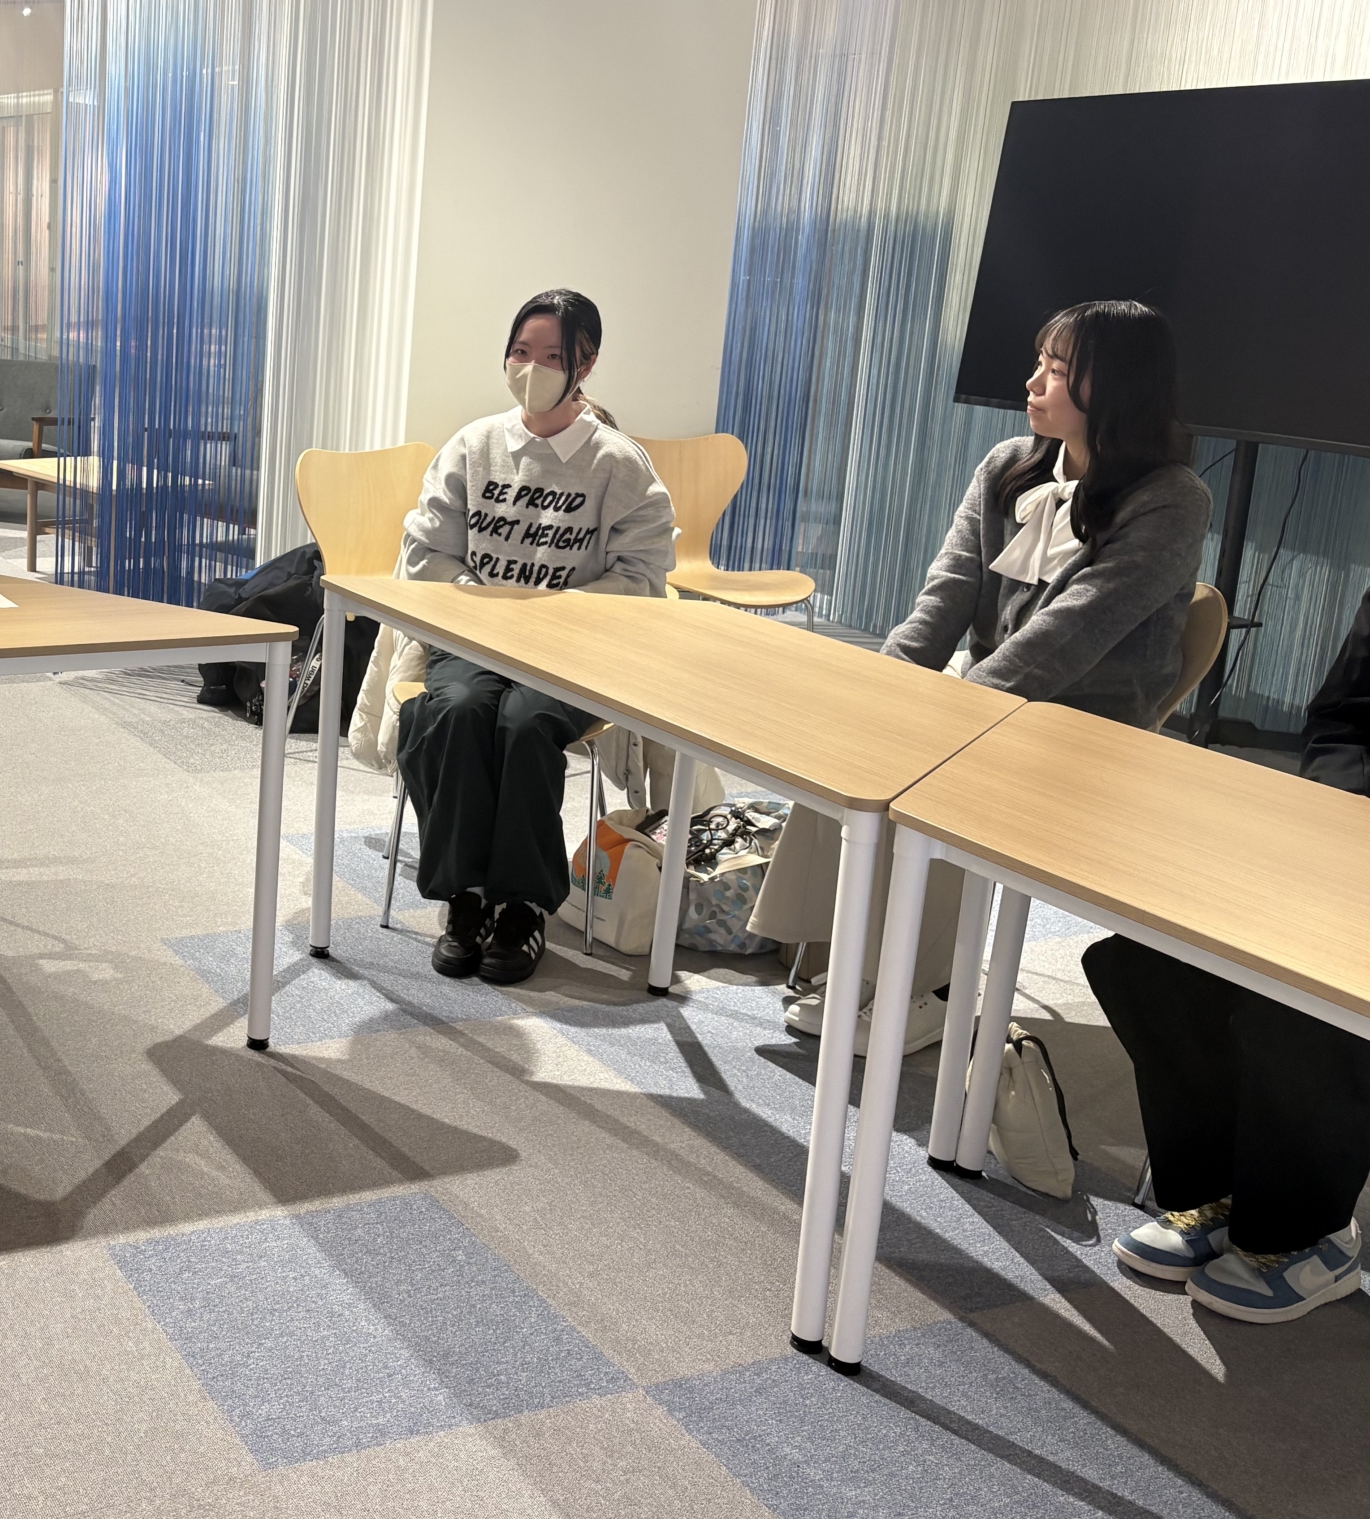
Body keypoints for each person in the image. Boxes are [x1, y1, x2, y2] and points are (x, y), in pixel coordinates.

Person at [767, 298, 1213, 1053]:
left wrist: (947, 718)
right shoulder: (1008, 465)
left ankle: (928, 989)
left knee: (938, 776)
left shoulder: (1173, 500)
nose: (1033, 382)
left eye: (1057, 370)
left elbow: (1067, 638)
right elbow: (945, 596)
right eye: (1040, 363)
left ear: (1116, 387)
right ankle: (836, 955)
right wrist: (882, 691)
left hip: (1085, 733)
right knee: (848, 749)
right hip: (982, 702)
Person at [1083, 591, 1370, 1324]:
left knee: (1308, 1004)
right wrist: (1345, 815)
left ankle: (1307, 1232)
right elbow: (1345, 714)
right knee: (1159, 957)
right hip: (1351, 829)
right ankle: (1216, 1191)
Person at [396, 288, 675, 985]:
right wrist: (487, 606)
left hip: (573, 651)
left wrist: (553, 613)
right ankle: (466, 897)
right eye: (521, 351)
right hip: (476, 638)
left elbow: (644, 576)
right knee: (456, 711)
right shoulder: (475, 445)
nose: (532, 368)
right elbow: (425, 553)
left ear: (586, 363)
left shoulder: (618, 463)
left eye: (552, 357)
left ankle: (521, 907)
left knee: (525, 724)